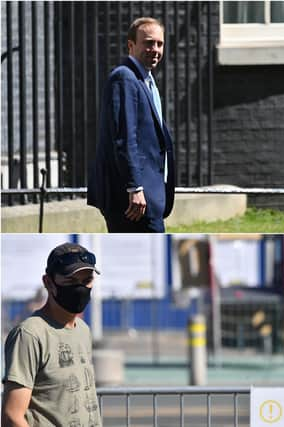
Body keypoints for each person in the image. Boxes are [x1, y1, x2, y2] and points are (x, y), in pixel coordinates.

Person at [88, 17, 175, 232]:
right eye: (148, 43)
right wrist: (134, 187)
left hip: (148, 196)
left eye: (159, 43)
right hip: (133, 201)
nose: (154, 49)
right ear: (131, 45)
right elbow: (125, 137)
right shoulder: (124, 77)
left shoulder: (146, 80)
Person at [2, 243, 102, 427]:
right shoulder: (30, 334)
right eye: (71, 282)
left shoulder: (82, 329)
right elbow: (12, 416)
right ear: (48, 283)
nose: (80, 289)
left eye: (87, 280)